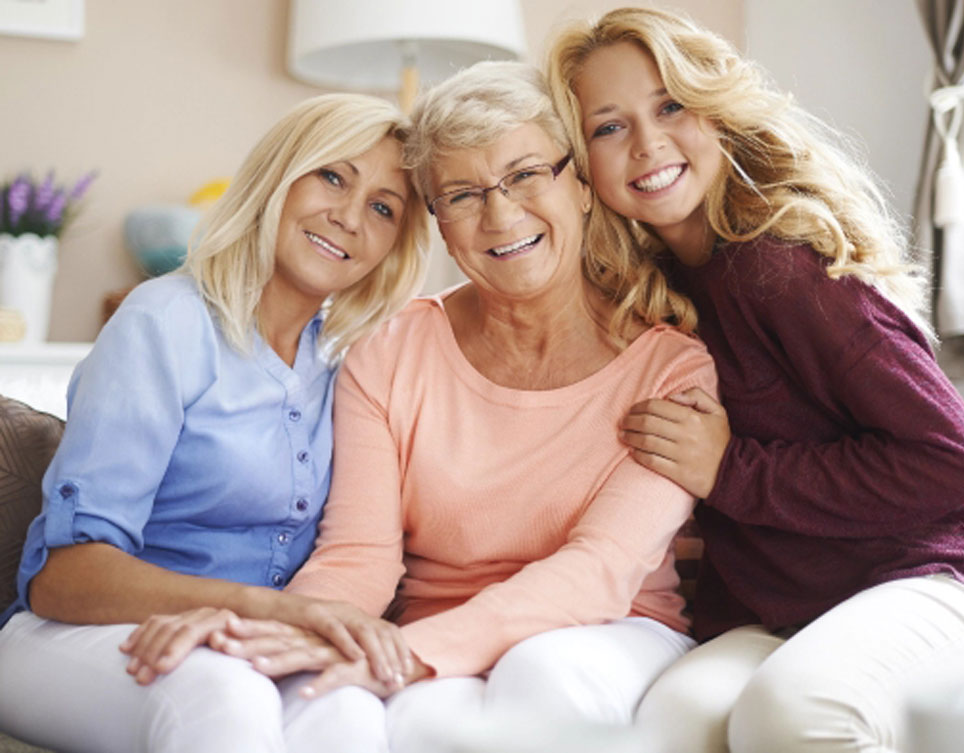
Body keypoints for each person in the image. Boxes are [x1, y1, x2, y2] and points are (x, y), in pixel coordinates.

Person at [210, 61, 718, 752]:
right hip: (431, 634)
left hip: (611, 634)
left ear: (582, 187)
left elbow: (596, 572)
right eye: (463, 193)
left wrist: (405, 652)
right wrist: (275, 636)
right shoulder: (388, 353)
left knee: (542, 672)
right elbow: (357, 558)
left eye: (526, 174)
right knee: (366, 713)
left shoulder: (672, 367)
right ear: (440, 225)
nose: (501, 214)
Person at [547, 6, 964, 753]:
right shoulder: (650, 291)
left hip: (922, 580)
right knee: (671, 720)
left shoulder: (779, 266)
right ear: (582, 161)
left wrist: (731, 468)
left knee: (794, 713)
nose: (648, 142)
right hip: (776, 610)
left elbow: (953, 458)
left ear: (716, 114)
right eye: (609, 126)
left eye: (670, 106)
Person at [0, 92, 428, 753]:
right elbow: (63, 576)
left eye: (382, 208)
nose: (348, 216)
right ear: (278, 177)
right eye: (332, 176)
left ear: (393, 245)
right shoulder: (163, 323)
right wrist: (255, 609)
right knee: (222, 693)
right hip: (67, 637)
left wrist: (255, 625)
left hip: (235, 639)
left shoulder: (352, 364)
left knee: (344, 703)